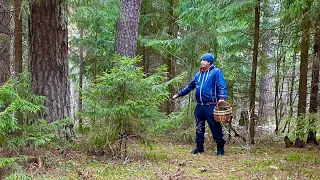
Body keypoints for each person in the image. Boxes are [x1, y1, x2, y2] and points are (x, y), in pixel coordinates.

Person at [172, 53, 227, 156]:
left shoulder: (216, 72)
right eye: (201, 59)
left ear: (210, 62)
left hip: (211, 105)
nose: (202, 61)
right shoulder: (198, 75)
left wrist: (222, 98)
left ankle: (220, 148)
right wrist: (179, 94)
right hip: (200, 106)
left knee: (215, 127)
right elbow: (190, 86)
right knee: (199, 127)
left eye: (205, 60)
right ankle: (199, 147)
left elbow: (221, 85)